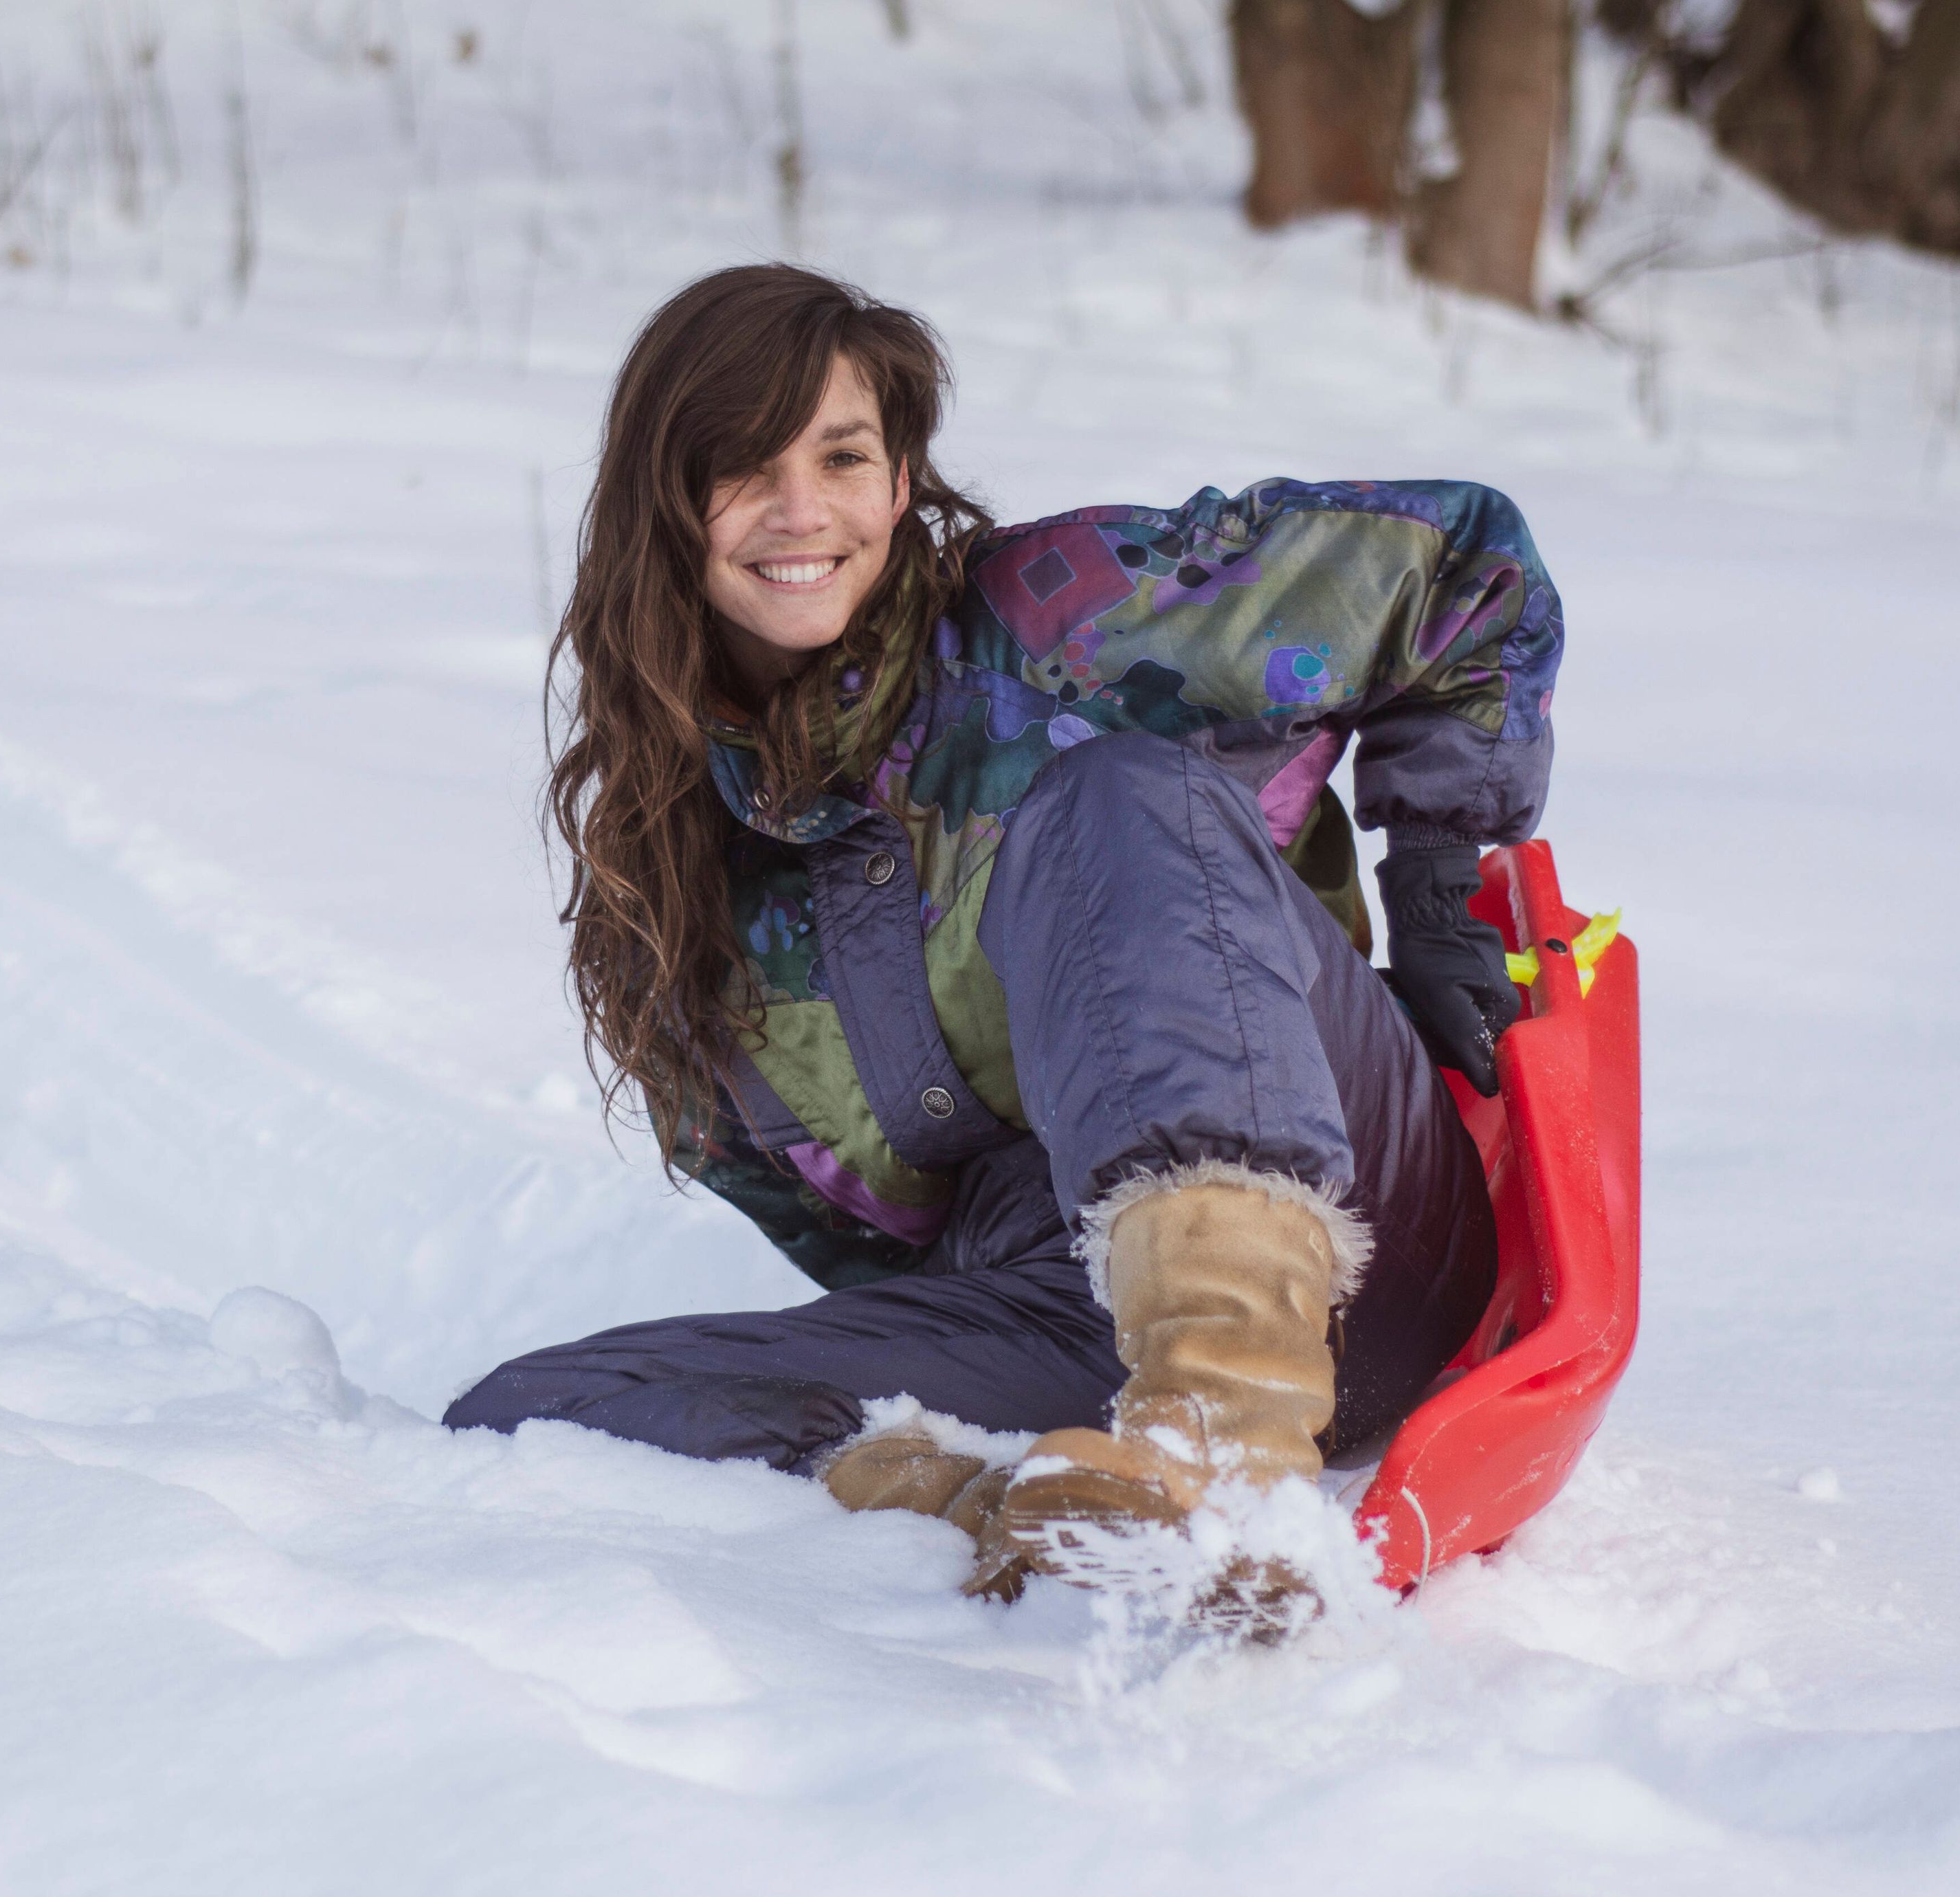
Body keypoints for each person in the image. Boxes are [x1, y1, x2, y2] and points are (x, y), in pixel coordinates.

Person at [445, 264, 1564, 1604]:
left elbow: (1461, 570)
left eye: (842, 456)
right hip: (1065, 1309)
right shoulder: (683, 889)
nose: (800, 510)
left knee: (1114, 791)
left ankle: (1220, 1431)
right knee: (544, 1407)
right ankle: (1011, 1503)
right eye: (741, 466)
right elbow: (863, 1244)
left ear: (902, 478)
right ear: (664, 504)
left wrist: (1439, 883)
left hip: (1354, 1210)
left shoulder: (1065, 617)